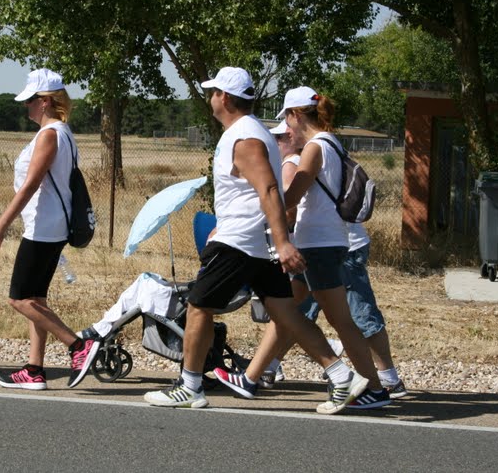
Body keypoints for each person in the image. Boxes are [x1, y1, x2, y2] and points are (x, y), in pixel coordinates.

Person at [144, 67, 369, 414]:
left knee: (199, 306)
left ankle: (189, 386)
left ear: (225, 98)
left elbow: (269, 189)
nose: (210, 98)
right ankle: (342, 377)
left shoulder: (245, 138)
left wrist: (283, 243)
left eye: (214, 92)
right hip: (254, 240)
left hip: (240, 241)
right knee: (285, 312)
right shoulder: (250, 132)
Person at [219, 86, 390, 409]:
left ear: (296, 115)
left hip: (318, 245)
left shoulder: (315, 147)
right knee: (285, 311)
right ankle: (250, 377)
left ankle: (374, 389)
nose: (287, 128)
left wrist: (256, 201)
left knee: (340, 321)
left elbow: (291, 197)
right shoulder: (332, 143)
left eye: (287, 119)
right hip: (324, 241)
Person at [252, 122, 407, 401]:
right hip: (325, 245)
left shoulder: (304, 155)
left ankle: (378, 383)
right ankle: (259, 372)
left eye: (280, 136)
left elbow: (290, 203)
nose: (276, 142)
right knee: (291, 311)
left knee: (350, 317)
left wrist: (262, 211)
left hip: (324, 247)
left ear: (295, 124)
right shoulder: (329, 145)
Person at [0, 68, 100, 391]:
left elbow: (31, 184)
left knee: (19, 299)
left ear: (45, 101)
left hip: (43, 228)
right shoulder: (62, 132)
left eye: (30, 100)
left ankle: (79, 346)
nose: (26, 106)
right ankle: (34, 370)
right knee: (36, 299)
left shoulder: (50, 134)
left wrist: (0, 225)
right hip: (49, 226)